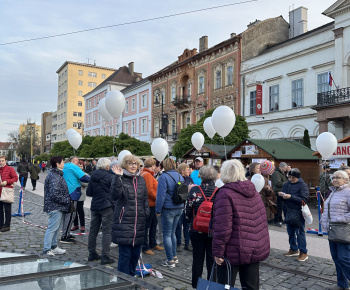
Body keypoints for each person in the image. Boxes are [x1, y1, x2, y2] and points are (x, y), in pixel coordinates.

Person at [212, 159, 270, 289]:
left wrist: (218, 252)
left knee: (225, 286)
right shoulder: (254, 191)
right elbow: (261, 220)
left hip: (232, 249)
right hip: (253, 247)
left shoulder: (224, 193)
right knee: (251, 286)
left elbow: (222, 227)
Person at [110, 154, 150, 276]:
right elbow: (114, 195)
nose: (133, 166)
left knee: (135, 256)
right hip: (124, 223)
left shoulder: (141, 179)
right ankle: (123, 281)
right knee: (125, 256)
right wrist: (117, 177)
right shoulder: (120, 178)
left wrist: (146, 212)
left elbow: (145, 199)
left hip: (138, 224)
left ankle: (131, 279)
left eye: (135, 163)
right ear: (124, 165)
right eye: (130, 163)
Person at [185, 165, 217, 288]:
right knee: (211, 259)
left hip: (196, 229)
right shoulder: (219, 191)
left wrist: (191, 221)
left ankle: (196, 285)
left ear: (201, 176)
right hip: (213, 231)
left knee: (197, 259)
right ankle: (211, 285)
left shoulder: (194, 190)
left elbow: (187, 211)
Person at [321, 170, 350, 290]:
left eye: (338, 178)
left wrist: (339, 219)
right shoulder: (333, 192)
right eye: (333, 178)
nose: (335, 180)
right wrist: (324, 222)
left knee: (344, 258)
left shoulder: (348, 192)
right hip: (332, 230)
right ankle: (342, 284)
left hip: (343, 229)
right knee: (336, 258)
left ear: (346, 180)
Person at [156, 158, 184, 268]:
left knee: (166, 234)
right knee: (172, 233)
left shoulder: (163, 177)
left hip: (168, 208)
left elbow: (160, 195)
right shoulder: (179, 176)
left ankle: (170, 260)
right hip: (179, 207)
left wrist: (158, 210)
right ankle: (174, 257)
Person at [87, 158, 116, 265]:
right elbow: (114, 193)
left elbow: (89, 192)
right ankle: (105, 255)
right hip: (107, 206)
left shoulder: (92, 176)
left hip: (95, 205)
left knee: (93, 230)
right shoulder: (110, 177)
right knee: (106, 231)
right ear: (108, 167)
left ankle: (92, 253)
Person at [43, 156, 70, 256]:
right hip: (54, 207)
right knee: (52, 228)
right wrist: (67, 201)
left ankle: (53, 246)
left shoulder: (56, 175)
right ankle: (47, 249)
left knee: (56, 228)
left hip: (57, 206)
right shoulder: (54, 176)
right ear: (57, 164)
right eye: (62, 162)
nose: (64, 164)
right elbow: (54, 194)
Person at [280, 168, 309, 262]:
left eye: (293, 177)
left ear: (298, 177)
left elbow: (304, 200)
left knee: (300, 232)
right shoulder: (286, 184)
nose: (291, 179)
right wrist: (280, 195)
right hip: (288, 211)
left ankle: (303, 252)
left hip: (298, 212)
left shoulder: (303, 185)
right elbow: (282, 197)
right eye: (289, 177)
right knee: (290, 231)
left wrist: (290, 197)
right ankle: (293, 249)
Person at [60, 156, 90, 244]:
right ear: (74, 161)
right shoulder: (73, 166)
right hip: (72, 193)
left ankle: (66, 233)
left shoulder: (65, 166)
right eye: (77, 161)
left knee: (67, 216)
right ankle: (65, 236)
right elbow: (85, 178)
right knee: (70, 216)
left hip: (66, 193)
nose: (79, 162)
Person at [142, 158, 163, 255]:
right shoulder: (147, 175)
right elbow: (149, 191)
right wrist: (158, 199)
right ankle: (145, 246)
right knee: (147, 226)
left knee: (153, 224)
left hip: (151, 204)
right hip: (149, 204)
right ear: (153, 165)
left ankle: (152, 243)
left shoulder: (148, 174)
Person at [176, 163, 193, 252]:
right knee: (178, 226)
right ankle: (178, 244)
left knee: (187, 226)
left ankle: (187, 244)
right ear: (182, 171)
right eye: (187, 169)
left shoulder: (190, 179)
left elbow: (192, 188)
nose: (189, 171)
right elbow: (178, 189)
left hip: (187, 206)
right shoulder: (178, 179)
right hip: (179, 206)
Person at [0, 155, 18, 232]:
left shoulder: (10, 169)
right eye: (0, 161)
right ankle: (1, 225)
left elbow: (15, 178)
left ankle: (7, 225)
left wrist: (7, 181)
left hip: (7, 191)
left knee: (7, 209)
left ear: (6, 161)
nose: (1, 162)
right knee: (0, 210)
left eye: (2, 160)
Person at [272, 162, 288, 227]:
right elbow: (278, 183)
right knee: (279, 207)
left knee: (282, 207)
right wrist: (287, 183)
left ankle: (280, 220)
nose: (285, 170)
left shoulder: (281, 173)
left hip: (281, 192)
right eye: (285, 168)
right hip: (278, 192)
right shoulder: (276, 173)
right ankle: (277, 221)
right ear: (281, 167)